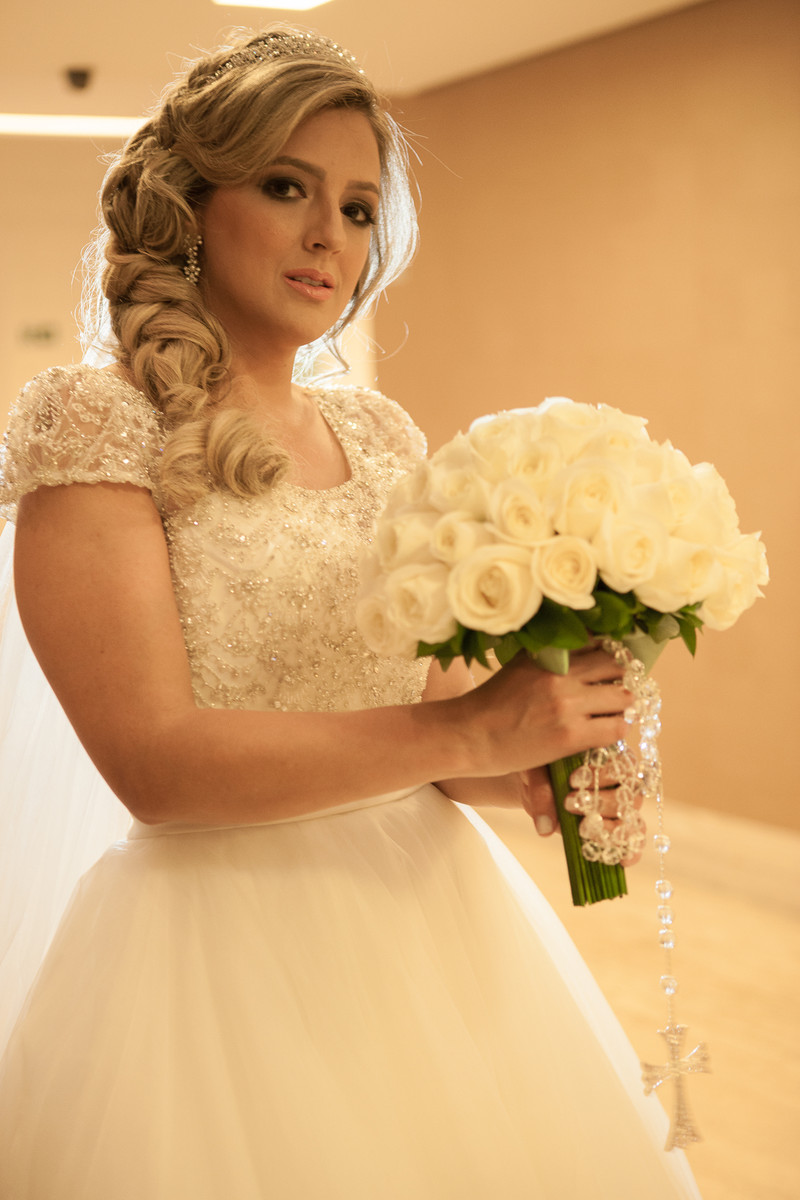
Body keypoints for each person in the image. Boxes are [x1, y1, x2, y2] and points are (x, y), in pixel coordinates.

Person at [0, 26, 701, 1199]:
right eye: (287, 188)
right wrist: (465, 730)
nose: (331, 234)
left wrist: (534, 761)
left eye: (360, 208)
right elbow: (153, 763)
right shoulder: (93, 422)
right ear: (191, 203)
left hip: (426, 913)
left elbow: (422, 713)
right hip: (213, 951)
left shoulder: (376, 433)